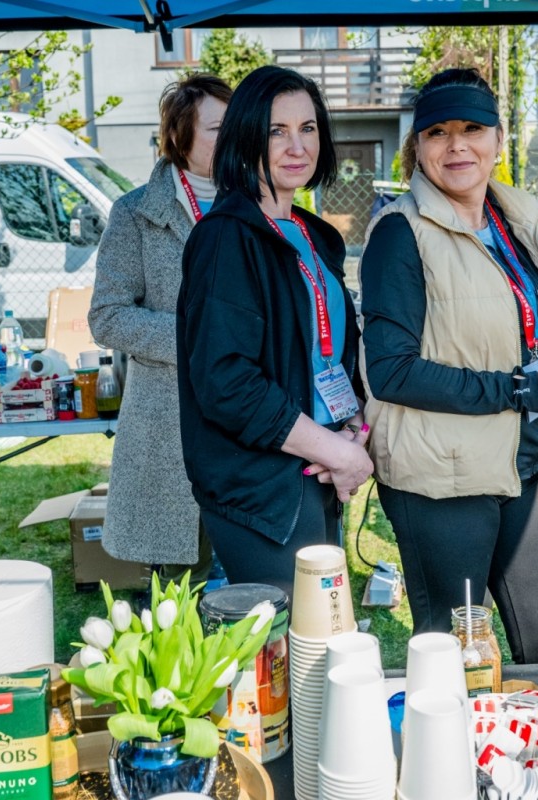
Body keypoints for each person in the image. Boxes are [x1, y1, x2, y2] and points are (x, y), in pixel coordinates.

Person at [359, 68, 538, 664]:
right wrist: (524, 390)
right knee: (453, 657)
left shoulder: (514, 223)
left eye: (472, 129)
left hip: (522, 464)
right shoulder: (400, 233)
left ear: (499, 139)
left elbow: (519, 331)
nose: (457, 146)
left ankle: (522, 732)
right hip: (441, 478)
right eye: (437, 132)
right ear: (417, 146)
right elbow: (391, 372)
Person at [177, 65, 372, 594]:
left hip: (317, 466)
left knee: (323, 630)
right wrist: (333, 449)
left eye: (307, 128)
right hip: (264, 487)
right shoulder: (225, 238)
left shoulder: (312, 234)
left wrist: (352, 425)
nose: (297, 146)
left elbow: (327, 351)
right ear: (246, 137)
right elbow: (226, 381)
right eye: (276, 131)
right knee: (290, 635)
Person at [89, 74, 231, 575]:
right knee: (183, 585)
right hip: (169, 424)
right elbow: (107, 316)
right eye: (217, 128)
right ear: (180, 136)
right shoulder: (135, 214)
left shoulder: (261, 202)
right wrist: (197, 340)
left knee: (258, 587)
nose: (233, 136)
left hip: (250, 421)